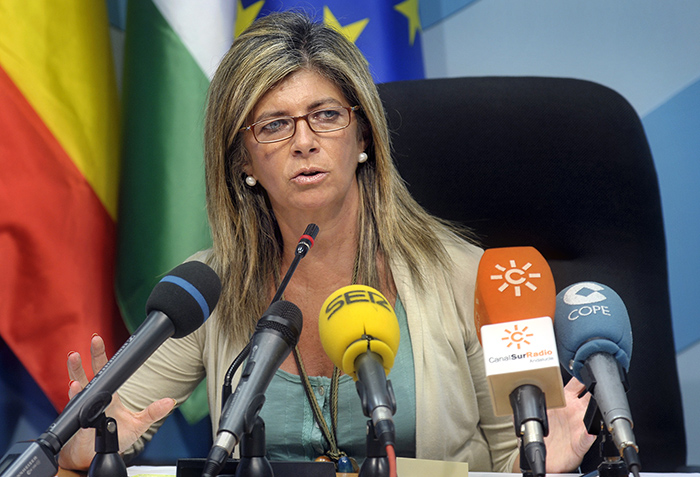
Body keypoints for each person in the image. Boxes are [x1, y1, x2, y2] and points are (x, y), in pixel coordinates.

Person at [58, 10, 595, 473]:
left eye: (327, 116)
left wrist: (542, 461)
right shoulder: (211, 288)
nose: (305, 142)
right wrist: (87, 440)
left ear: (364, 135)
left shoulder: (469, 276)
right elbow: (103, 429)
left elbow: (514, 458)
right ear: (243, 162)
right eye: (274, 125)